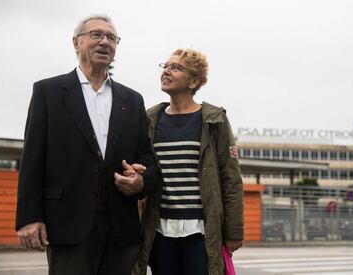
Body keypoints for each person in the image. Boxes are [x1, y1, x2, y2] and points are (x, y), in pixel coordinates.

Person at [15, 14, 159, 275]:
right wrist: (29, 217)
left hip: (121, 228)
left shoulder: (133, 99)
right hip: (67, 225)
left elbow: (147, 158)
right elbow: (33, 159)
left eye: (112, 38)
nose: (105, 42)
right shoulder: (48, 92)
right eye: (96, 35)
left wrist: (140, 182)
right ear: (76, 42)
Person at [134, 49, 244, 275]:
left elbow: (231, 178)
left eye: (175, 67)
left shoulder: (214, 120)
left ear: (194, 80)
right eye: (165, 65)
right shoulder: (151, 119)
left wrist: (234, 232)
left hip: (201, 231)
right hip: (161, 229)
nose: (166, 71)